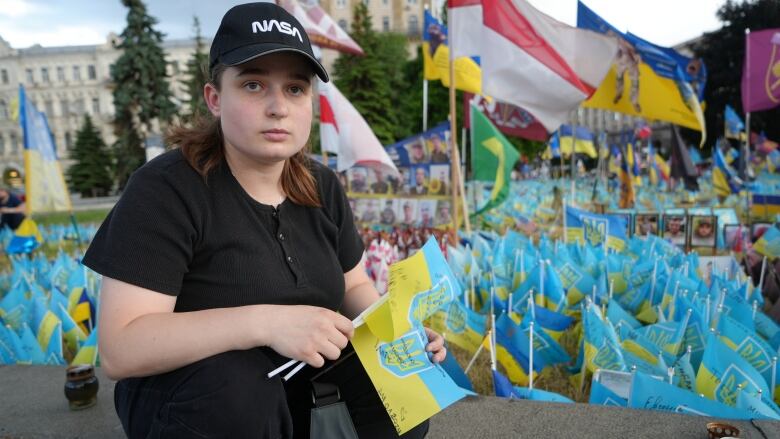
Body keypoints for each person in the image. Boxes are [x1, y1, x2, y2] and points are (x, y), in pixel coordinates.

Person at [82, 4, 443, 438]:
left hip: (302, 380)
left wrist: (398, 332)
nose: (278, 107)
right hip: (198, 399)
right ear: (215, 98)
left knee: (399, 390)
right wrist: (265, 323)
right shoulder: (166, 189)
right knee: (241, 396)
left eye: (295, 88)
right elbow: (121, 349)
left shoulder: (321, 185)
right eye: (254, 85)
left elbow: (352, 286)